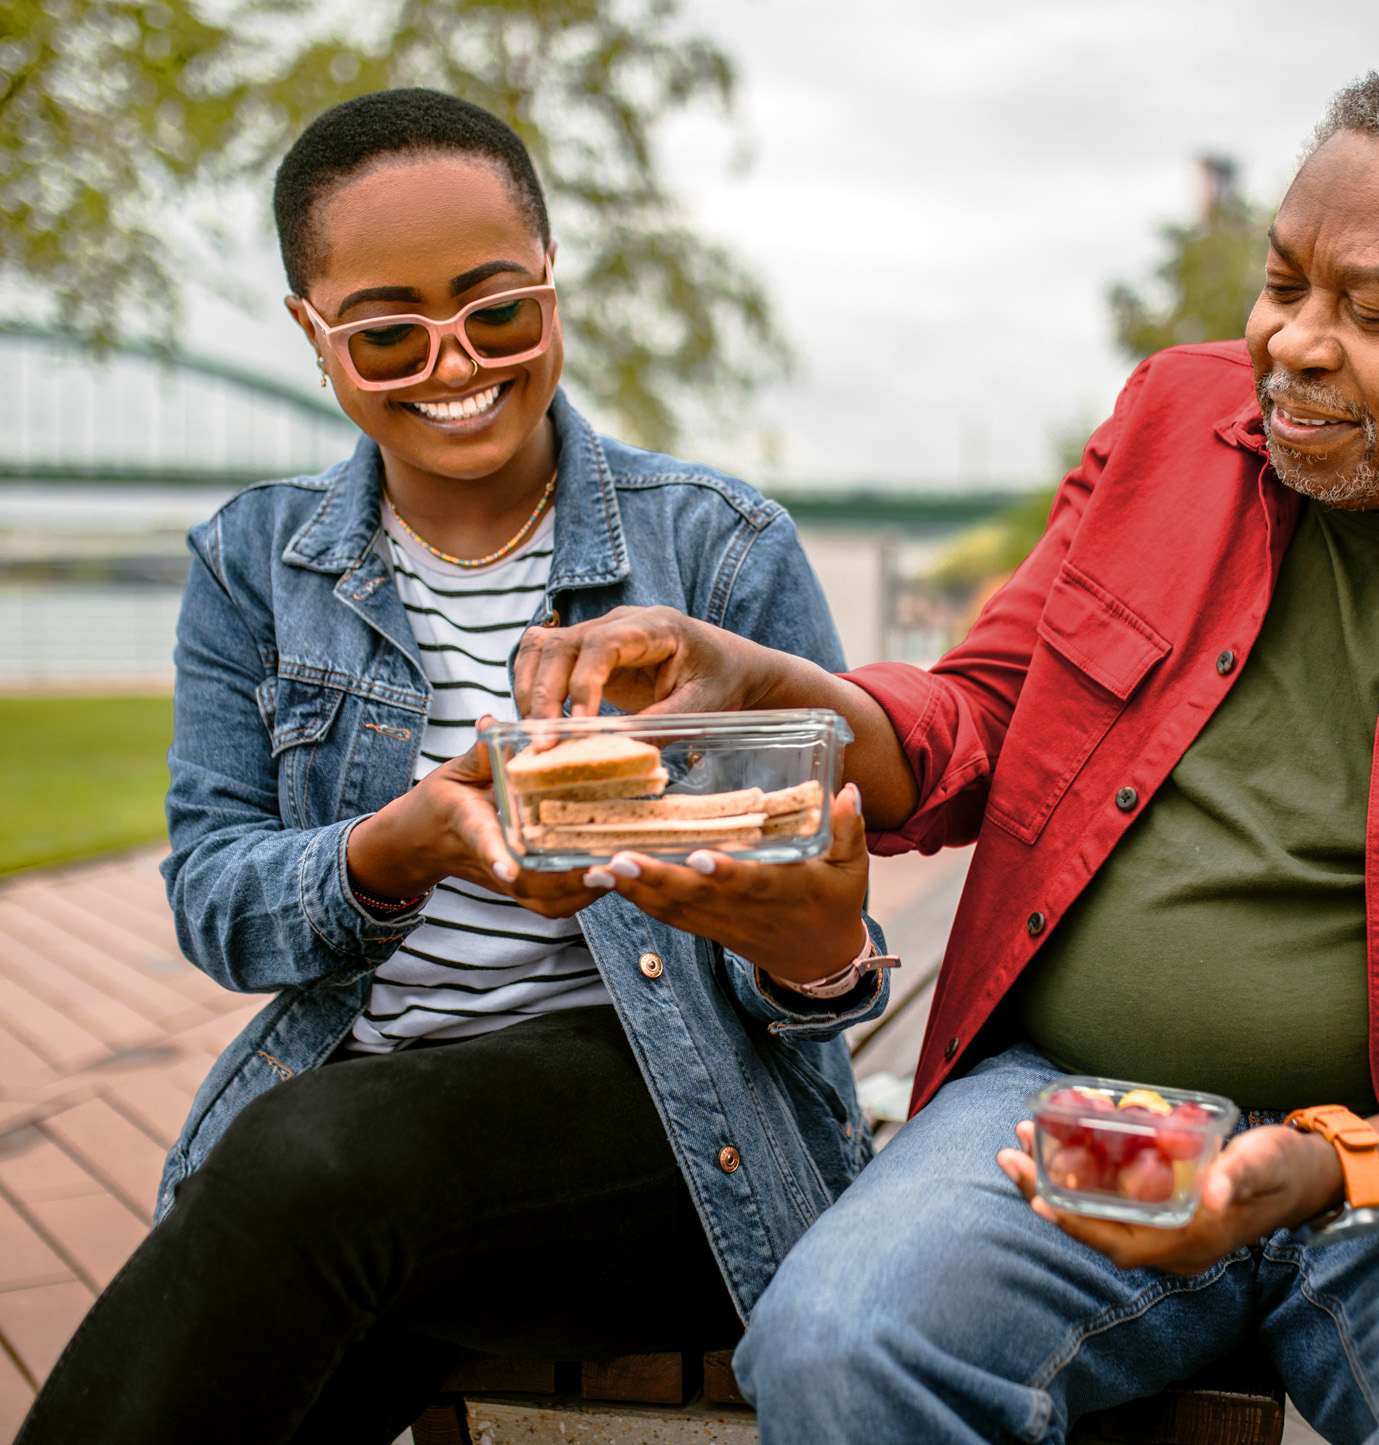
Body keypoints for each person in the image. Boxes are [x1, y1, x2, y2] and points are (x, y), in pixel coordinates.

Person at [517, 54, 1379, 1444]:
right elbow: (987, 720)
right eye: (1285, 281)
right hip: (1069, 1115)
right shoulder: (1171, 426)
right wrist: (773, 691)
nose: (1295, 341)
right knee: (839, 1343)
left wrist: (1333, 1161)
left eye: (1370, 309)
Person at [17, 88, 885, 1445]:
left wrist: (809, 943)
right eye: (386, 331)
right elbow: (216, 900)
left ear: (554, 289)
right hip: (382, 1127)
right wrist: (395, 848)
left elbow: (817, 962)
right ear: (315, 337)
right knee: (316, 1262)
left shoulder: (720, 550)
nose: (452, 360)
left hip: (675, 1138)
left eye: (495, 310)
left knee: (310, 1174)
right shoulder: (250, 568)